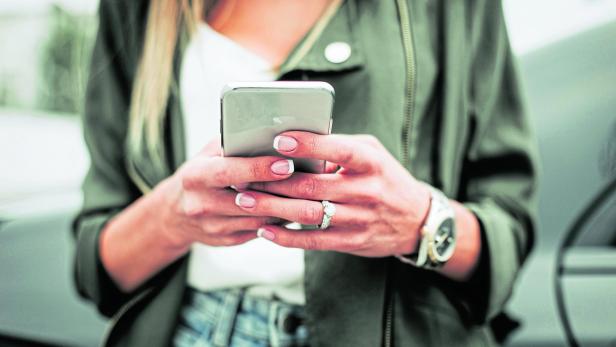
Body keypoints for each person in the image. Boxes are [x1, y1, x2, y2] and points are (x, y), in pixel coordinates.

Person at [72, 0, 539, 346]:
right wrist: (173, 215)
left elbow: (508, 238)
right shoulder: (137, 10)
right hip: (199, 330)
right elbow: (96, 269)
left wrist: (421, 222)